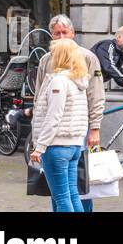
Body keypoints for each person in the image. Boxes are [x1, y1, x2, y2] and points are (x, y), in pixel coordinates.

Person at [33, 14, 105, 212]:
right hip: (71, 136)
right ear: (51, 35)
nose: (61, 37)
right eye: (57, 33)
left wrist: (95, 128)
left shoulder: (87, 59)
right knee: (67, 191)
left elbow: (95, 96)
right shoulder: (47, 60)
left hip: (61, 137)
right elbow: (39, 95)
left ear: (73, 33)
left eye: (65, 32)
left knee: (71, 190)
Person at [30, 38, 91, 213]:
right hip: (74, 145)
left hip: (56, 146)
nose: (51, 56)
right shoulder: (78, 81)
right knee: (72, 195)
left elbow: (53, 116)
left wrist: (39, 147)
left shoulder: (59, 81)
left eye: (53, 53)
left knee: (62, 198)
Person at [92, 25, 123, 95]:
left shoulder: (119, 53)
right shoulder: (108, 45)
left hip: (95, 82)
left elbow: (118, 72)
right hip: (86, 81)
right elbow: (109, 66)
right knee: (97, 104)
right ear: (119, 37)